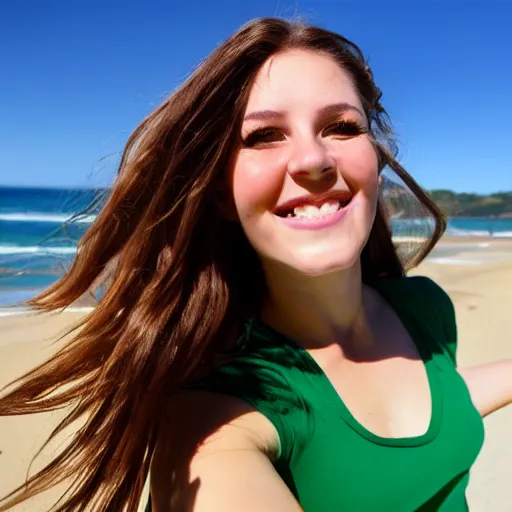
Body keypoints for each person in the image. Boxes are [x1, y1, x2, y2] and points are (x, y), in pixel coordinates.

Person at [0, 17, 511, 512]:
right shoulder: (221, 413)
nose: (313, 159)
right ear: (222, 194)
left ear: (376, 162)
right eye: (264, 135)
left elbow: (441, 400)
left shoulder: (424, 310)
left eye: (341, 127)